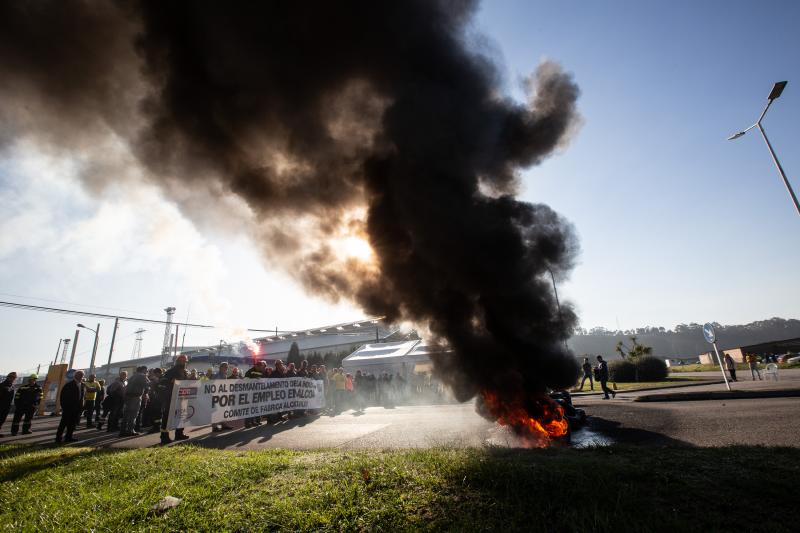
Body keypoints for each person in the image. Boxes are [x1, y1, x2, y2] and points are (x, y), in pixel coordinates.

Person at [160, 355, 191, 444]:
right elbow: (162, 381)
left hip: (182, 398)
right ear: (178, 361)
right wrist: (170, 381)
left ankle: (179, 433)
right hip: (171, 398)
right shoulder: (171, 371)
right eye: (181, 361)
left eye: (185, 361)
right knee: (167, 417)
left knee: (181, 416)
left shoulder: (185, 372)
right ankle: (164, 436)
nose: (183, 363)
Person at [56, 370, 85, 443]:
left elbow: (81, 397)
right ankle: (58, 438)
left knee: (72, 424)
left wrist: (81, 407)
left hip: (77, 409)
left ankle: (68, 437)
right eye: (80, 375)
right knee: (63, 423)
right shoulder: (69, 385)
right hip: (68, 408)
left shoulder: (81, 385)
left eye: (82, 376)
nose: (81, 377)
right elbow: (63, 397)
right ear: (76, 376)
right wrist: (65, 408)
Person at [121, 366, 148, 436]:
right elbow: (147, 386)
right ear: (143, 370)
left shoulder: (132, 376)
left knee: (126, 415)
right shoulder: (142, 376)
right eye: (146, 370)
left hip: (128, 397)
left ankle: (122, 431)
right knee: (133, 414)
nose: (147, 372)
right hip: (136, 397)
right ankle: (130, 430)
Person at [244, 361, 267, 427]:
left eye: (261, 367)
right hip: (250, 393)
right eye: (259, 367)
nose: (260, 368)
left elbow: (262, 381)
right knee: (249, 408)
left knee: (255, 408)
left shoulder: (260, 371)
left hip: (257, 393)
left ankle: (253, 422)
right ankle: (247, 423)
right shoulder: (249, 372)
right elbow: (245, 381)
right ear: (256, 366)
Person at [212, 362, 230, 432]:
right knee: (216, 411)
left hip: (223, 395)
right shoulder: (217, 375)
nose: (226, 368)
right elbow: (213, 384)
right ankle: (214, 427)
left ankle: (224, 424)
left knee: (223, 410)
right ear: (221, 367)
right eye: (225, 367)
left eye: (227, 367)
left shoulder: (224, 375)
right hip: (217, 395)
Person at [0, 372, 17, 437]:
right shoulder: (2, 385)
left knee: (2, 419)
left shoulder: (12, 386)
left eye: (14, 378)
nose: (12, 379)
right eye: (11, 377)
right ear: (8, 377)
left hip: (7, 406)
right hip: (1, 405)